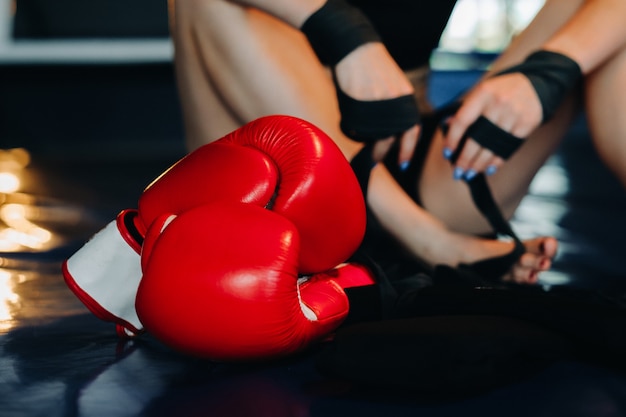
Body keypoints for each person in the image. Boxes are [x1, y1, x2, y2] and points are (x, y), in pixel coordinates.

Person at [166, 0, 626, 285]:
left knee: (603, 27)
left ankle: (423, 229)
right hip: (281, 180)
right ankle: (423, 237)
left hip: (423, 163)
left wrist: (552, 70)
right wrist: (345, 35)